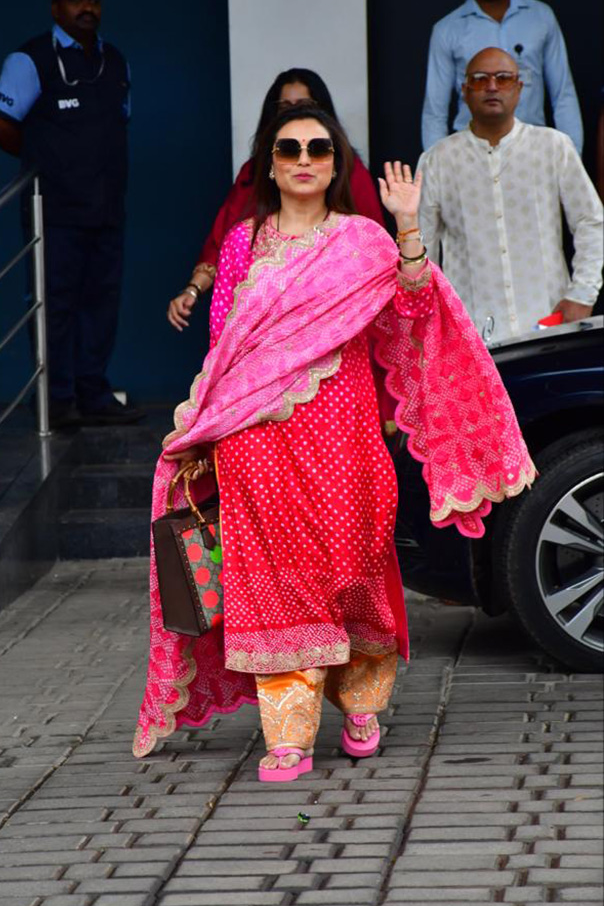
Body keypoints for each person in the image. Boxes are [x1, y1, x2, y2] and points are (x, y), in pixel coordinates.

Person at [133, 102, 535, 778]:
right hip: (257, 440)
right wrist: (207, 424)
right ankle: (287, 736)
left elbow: (413, 304)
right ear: (269, 161)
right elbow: (227, 340)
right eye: (288, 148)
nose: (302, 159)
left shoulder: (363, 241)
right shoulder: (244, 242)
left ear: (335, 161)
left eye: (318, 148)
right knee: (271, 583)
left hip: (345, 435)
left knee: (355, 569)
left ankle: (360, 702)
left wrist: (407, 222)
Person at [0, 0, 142, 429]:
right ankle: (57, 399)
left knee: (102, 302)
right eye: (76, 0)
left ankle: (93, 392)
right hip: (54, 210)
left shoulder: (114, 61)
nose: (86, 8)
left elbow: (120, 122)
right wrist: (43, 158)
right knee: (56, 304)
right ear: (57, 7)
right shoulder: (30, 59)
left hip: (108, 206)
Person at [167, 68, 385, 331]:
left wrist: (408, 226)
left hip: (341, 343)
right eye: (285, 107)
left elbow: (379, 269)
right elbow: (221, 238)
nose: (303, 160)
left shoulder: (356, 205)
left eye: (304, 106)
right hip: (265, 347)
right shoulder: (244, 220)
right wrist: (193, 289)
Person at [418, 47, 603, 344]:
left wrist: (582, 293)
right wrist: (433, 320)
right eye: (480, 79)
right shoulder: (438, 159)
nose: (492, 87)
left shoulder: (553, 146)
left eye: (503, 79)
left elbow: (590, 221)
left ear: (519, 88)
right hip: (471, 333)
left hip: (548, 321)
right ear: (464, 91)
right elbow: (423, 249)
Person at [421, 0, 583, 154]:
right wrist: (434, 168)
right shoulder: (447, 29)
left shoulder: (540, 17)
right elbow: (434, 110)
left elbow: (563, 95)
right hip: (470, 153)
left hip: (534, 150)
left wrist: (571, 158)